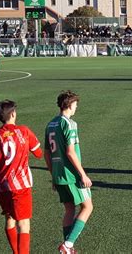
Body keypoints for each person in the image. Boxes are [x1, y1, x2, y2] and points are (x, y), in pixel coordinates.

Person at [0, 100, 42, 254]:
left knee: (9, 218)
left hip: (2, 185)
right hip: (20, 184)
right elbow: (38, 153)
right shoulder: (23, 131)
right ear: (13, 114)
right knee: (23, 223)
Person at [44, 91, 93, 253]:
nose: (76, 108)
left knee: (69, 209)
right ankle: (68, 244)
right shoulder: (70, 124)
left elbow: (47, 153)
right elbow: (71, 152)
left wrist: (53, 176)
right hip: (71, 175)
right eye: (76, 105)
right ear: (70, 105)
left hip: (58, 175)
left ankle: (68, 248)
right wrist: (83, 174)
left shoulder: (51, 124)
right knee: (87, 207)